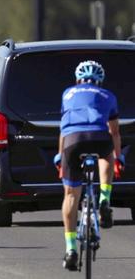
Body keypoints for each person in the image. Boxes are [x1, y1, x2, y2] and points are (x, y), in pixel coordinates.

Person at [55, 60, 124, 271]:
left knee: (70, 195)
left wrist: (60, 157)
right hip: (99, 137)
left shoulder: (67, 94)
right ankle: (104, 199)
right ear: (100, 81)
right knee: (107, 154)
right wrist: (118, 159)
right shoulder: (108, 96)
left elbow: (64, 130)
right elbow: (114, 132)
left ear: (78, 79)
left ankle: (70, 249)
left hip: (72, 140)